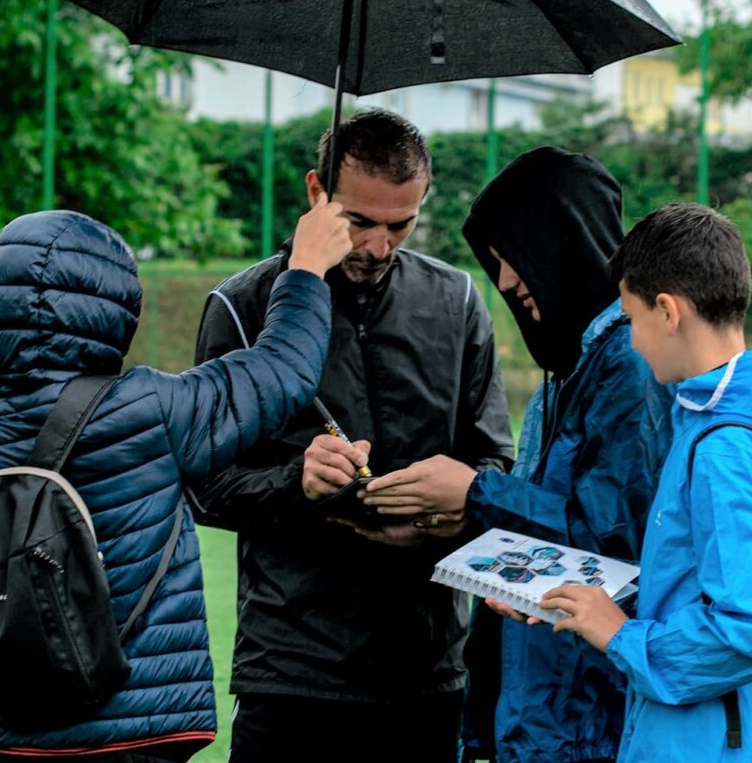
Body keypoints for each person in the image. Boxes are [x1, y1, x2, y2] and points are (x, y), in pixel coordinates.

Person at [0, 201, 352, 762]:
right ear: (119, 311)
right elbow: (282, 371)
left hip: (20, 734)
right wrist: (307, 269)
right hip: (141, 734)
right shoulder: (150, 410)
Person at [190, 108, 514, 763]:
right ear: (317, 193)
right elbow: (204, 486)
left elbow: (495, 466)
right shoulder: (242, 306)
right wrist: (297, 482)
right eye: (359, 222)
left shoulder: (456, 299)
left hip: (428, 674)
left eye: (402, 223)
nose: (377, 246)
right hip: (292, 674)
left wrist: (443, 517)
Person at [362, 146, 673, 762]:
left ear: (560, 242)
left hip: (588, 718)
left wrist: (474, 494)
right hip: (543, 713)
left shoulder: (628, 366)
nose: (504, 281)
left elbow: (615, 546)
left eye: (512, 258)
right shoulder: (569, 369)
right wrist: (447, 518)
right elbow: (549, 524)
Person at [539, 202, 752, 762]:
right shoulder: (740, 409)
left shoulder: (724, 448)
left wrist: (621, 634)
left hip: (714, 740)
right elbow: (705, 579)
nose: (633, 343)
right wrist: (589, 603)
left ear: (667, 311)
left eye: (631, 319)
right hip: (734, 730)